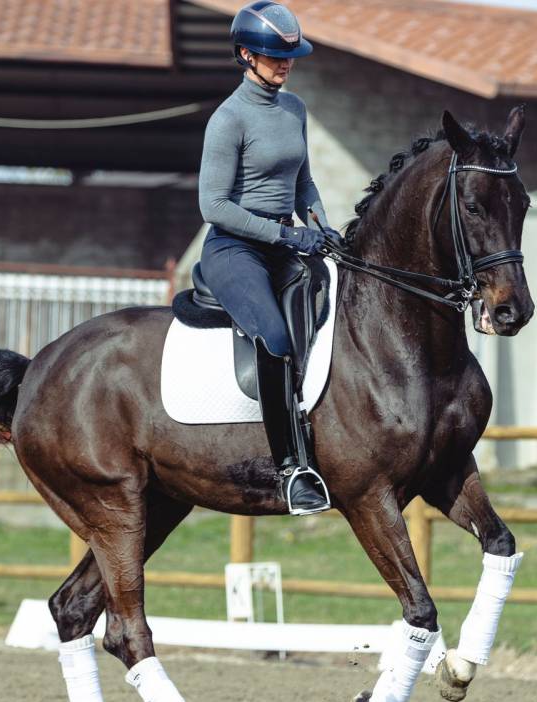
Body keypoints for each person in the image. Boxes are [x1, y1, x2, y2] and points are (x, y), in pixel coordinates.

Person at [197, 1, 340, 515]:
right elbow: (212, 205)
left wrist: (321, 224)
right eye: (272, 56)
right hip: (235, 248)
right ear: (245, 55)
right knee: (276, 337)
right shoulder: (228, 119)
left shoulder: (294, 109)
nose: (284, 64)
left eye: (289, 57)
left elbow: (302, 182)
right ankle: (291, 469)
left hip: (286, 243)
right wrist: (287, 237)